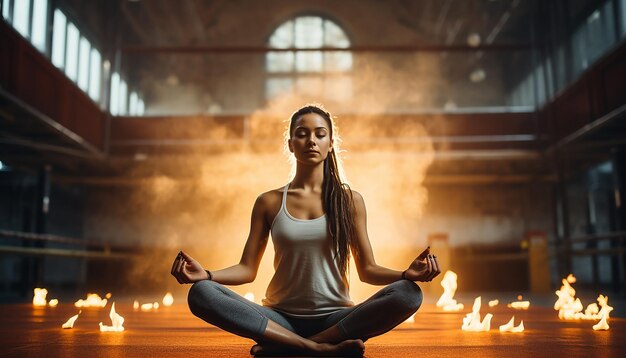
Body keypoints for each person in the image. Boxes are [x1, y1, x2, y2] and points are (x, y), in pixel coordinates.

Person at [171, 104, 441, 357]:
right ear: (290, 144)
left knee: (409, 293)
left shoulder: (350, 201)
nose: (311, 140)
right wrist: (206, 274)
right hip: (279, 318)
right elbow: (247, 269)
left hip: (337, 318)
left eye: (320, 134)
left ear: (330, 143)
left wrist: (407, 274)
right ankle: (316, 349)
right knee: (201, 293)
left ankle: (291, 346)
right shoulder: (269, 201)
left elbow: (368, 270)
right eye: (302, 134)